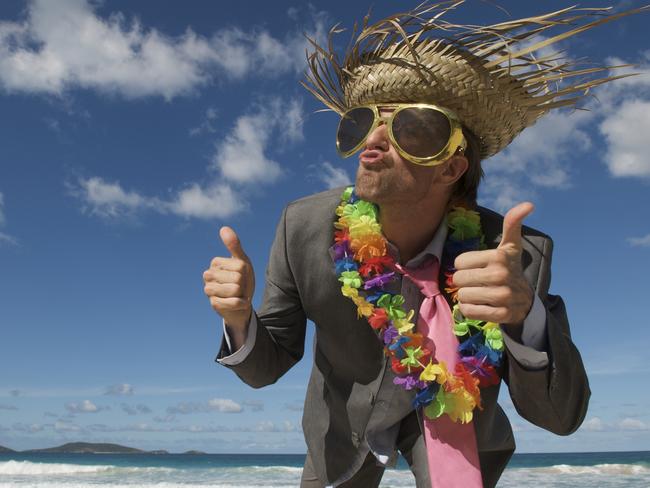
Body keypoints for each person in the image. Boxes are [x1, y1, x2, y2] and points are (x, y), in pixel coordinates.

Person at [202, 3, 645, 487]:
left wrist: (523, 317)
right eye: (363, 122)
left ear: (452, 167)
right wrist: (240, 319)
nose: (373, 139)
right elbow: (265, 370)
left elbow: (562, 418)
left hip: (460, 435)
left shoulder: (514, 255)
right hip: (341, 436)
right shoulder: (303, 228)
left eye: (409, 128)